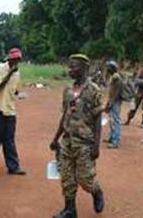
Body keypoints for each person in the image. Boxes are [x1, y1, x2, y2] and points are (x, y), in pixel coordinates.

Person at [49, 54, 104, 218]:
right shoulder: (67, 91)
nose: (70, 70)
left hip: (85, 143)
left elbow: (98, 118)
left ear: (85, 69)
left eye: (74, 67)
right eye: (69, 66)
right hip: (67, 141)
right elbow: (64, 115)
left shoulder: (93, 90)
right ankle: (70, 210)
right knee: (66, 177)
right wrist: (55, 138)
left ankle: (96, 191)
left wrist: (96, 146)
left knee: (85, 179)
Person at [0, 48, 26, 175]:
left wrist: (19, 94)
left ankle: (13, 166)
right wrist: (9, 73)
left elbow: (12, 90)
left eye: (18, 60)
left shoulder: (17, 74)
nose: (16, 62)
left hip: (10, 109)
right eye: (14, 59)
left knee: (9, 139)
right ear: (9, 58)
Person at [104, 60, 123, 149]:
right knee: (112, 120)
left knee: (115, 121)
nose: (107, 69)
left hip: (115, 101)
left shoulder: (116, 77)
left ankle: (115, 141)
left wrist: (110, 102)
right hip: (113, 100)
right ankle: (112, 138)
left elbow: (116, 92)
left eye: (108, 67)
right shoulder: (114, 77)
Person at [124, 61, 143, 125]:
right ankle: (128, 120)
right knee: (133, 107)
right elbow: (136, 81)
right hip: (140, 92)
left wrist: (141, 82)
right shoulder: (141, 72)